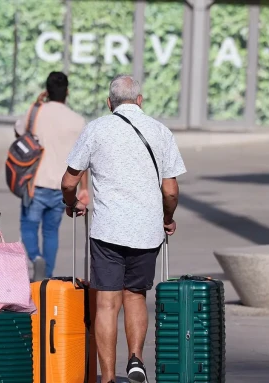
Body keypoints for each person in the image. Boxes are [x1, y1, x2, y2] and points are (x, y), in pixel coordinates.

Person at [61, 74, 186, 383]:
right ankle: (136, 359)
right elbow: (170, 190)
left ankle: (107, 377)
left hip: (107, 231)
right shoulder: (160, 132)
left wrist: (72, 202)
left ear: (109, 103)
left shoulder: (96, 129)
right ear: (140, 100)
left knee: (106, 303)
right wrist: (167, 218)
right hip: (146, 231)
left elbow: (68, 181)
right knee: (135, 296)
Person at [14, 71, 89, 281]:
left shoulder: (35, 112)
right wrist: (84, 188)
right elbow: (83, 159)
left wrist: (36, 104)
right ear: (67, 92)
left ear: (46, 91)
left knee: (28, 225)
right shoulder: (77, 120)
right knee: (51, 232)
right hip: (62, 185)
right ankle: (46, 277)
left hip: (34, 182)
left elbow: (19, 133)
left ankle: (36, 257)